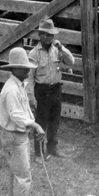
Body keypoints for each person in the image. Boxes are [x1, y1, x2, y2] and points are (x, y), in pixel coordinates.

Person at [0, 47, 45, 196]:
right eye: (23, 67)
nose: (27, 70)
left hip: (18, 134)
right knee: (23, 176)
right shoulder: (11, 90)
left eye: (27, 67)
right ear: (14, 69)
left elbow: (22, 112)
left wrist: (31, 123)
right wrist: (34, 124)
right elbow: (16, 115)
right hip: (14, 135)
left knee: (16, 174)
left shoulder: (19, 85)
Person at [27, 19, 75, 161]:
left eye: (51, 35)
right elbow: (29, 78)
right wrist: (31, 97)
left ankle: (52, 148)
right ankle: (38, 153)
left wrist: (61, 48)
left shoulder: (57, 50)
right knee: (41, 122)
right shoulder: (34, 54)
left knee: (55, 120)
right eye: (46, 35)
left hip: (56, 89)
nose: (49, 38)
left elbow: (71, 61)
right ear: (40, 35)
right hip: (42, 91)